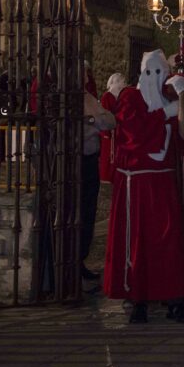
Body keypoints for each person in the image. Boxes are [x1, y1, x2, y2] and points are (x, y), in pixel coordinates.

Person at [103, 50, 184, 324]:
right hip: (135, 183)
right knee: (137, 243)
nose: (154, 77)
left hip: (162, 181)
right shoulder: (130, 98)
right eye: (149, 71)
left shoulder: (170, 97)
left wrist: (182, 95)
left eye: (160, 71)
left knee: (168, 241)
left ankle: (175, 300)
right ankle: (138, 299)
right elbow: (133, 133)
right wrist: (165, 113)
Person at [80, 80, 115, 285]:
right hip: (76, 161)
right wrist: (95, 121)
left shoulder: (88, 98)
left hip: (89, 160)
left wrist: (92, 120)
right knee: (76, 212)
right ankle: (71, 260)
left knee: (87, 212)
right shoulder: (65, 99)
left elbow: (110, 121)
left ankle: (79, 259)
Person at [99, 73, 126, 186]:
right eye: (122, 81)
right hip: (110, 130)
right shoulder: (107, 96)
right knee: (108, 154)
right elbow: (104, 114)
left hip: (118, 129)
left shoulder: (120, 96)